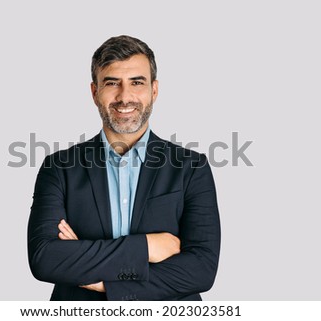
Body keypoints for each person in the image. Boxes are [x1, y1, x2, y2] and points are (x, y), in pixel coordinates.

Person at [27, 35, 221, 301]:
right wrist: (148, 246)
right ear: (95, 92)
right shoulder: (59, 168)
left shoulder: (191, 167)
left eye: (137, 82)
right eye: (111, 83)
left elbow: (201, 270)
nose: (125, 96)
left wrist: (101, 280)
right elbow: (45, 259)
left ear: (154, 90)